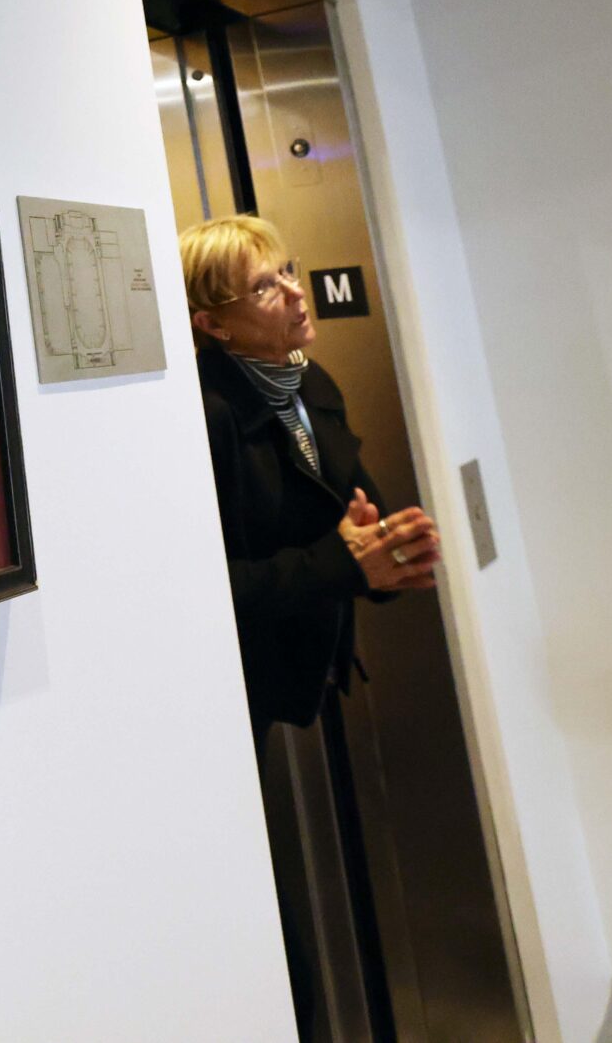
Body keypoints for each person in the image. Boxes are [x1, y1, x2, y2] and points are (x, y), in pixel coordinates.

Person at [179, 213, 441, 1036]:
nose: (295, 290)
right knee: (265, 927)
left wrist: (391, 554)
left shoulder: (306, 385)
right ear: (211, 324)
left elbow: (350, 521)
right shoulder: (204, 416)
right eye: (264, 284)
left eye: (288, 269)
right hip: (227, 702)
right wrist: (347, 562)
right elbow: (195, 593)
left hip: (304, 670)